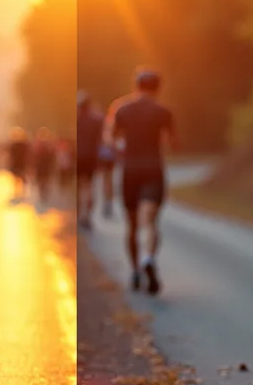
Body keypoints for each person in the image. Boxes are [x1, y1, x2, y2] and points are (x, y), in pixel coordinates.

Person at [106, 68, 177, 294]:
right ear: (158, 88)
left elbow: (111, 139)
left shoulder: (122, 109)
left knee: (132, 224)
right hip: (153, 170)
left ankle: (135, 270)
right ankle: (148, 258)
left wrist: (121, 148)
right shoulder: (163, 112)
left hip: (130, 171)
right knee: (151, 222)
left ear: (136, 87)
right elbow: (172, 142)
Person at [76, 92, 105, 229]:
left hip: (77, 157)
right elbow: (102, 139)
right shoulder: (96, 119)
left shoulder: (76, 119)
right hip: (91, 157)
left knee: (78, 186)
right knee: (89, 186)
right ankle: (86, 215)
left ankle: (79, 213)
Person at [7, 127, 30, 199]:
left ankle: (20, 191)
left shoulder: (22, 145)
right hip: (18, 164)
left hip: (20, 164)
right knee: (18, 178)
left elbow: (27, 155)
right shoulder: (15, 145)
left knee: (20, 178)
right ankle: (19, 191)